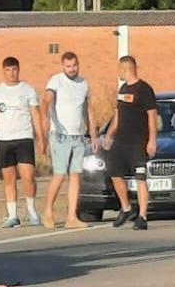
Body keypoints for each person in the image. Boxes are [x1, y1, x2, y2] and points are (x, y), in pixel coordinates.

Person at [0, 57, 44, 228]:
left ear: (18, 69)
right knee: (9, 178)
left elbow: (36, 115)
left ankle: (31, 210)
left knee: (28, 176)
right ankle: (12, 215)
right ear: (3, 71)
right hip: (4, 140)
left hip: (24, 138)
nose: (11, 73)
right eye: (8, 70)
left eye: (14, 69)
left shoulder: (28, 90)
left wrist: (41, 137)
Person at [40, 51, 99, 229]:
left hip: (78, 136)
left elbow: (88, 110)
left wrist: (93, 134)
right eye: (68, 66)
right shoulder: (56, 81)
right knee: (59, 175)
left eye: (74, 66)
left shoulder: (83, 84)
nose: (72, 69)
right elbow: (46, 100)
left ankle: (71, 217)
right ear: (63, 66)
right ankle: (48, 211)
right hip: (60, 136)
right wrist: (45, 119)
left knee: (76, 176)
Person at [103, 56, 157, 231]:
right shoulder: (123, 89)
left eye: (119, 69)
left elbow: (152, 116)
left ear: (126, 68)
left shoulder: (144, 89)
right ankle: (126, 208)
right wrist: (109, 134)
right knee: (114, 173)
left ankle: (142, 216)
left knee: (140, 178)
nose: (118, 72)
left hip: (137, 143)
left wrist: (152, 140)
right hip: (120, 142)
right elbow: (118, 115)